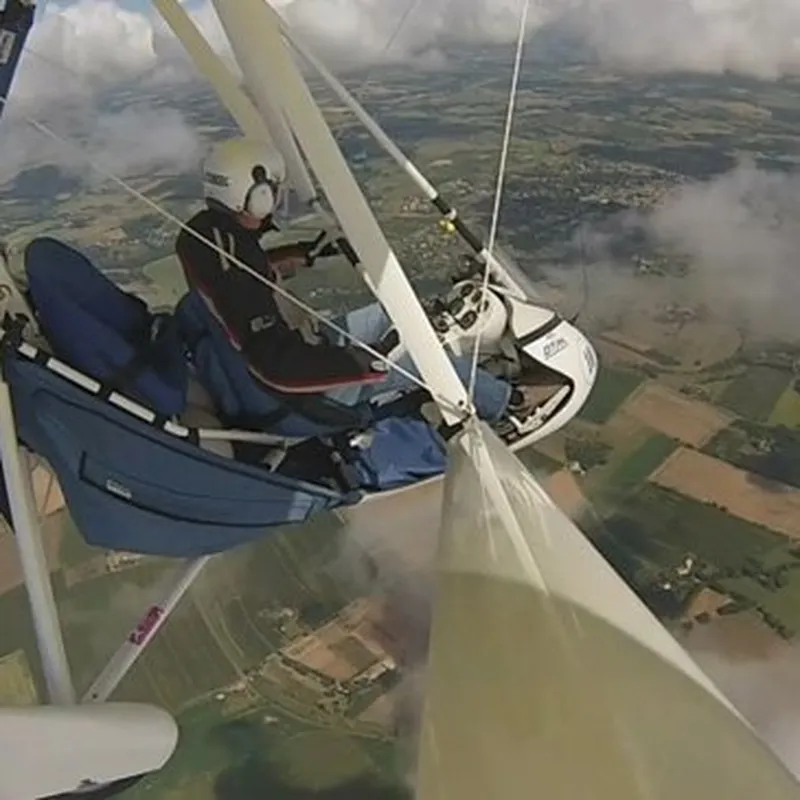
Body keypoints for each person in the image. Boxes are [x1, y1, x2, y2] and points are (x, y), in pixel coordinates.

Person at [176, 137, 533, 426]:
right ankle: (511, 407)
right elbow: (276, 366)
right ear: (255, 196)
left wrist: (308, 252)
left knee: (398, 312)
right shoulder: (230, 260)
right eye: (271, 188)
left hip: (298, 348)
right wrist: (364, 364)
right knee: (428, 362)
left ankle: (467, 367)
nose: (275, 196)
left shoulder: (207, 236)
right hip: (299, 394)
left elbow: (248, 275)